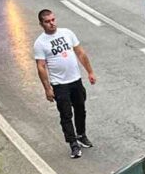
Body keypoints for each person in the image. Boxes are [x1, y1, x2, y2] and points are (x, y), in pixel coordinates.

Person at [34, 9, 97, 159]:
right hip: (59, 84)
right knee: (66, 114)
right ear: (41, 24)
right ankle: (73, 143)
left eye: (53, 20)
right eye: (47, 21)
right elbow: (41, 67)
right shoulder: (40, 43)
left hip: (75, 80)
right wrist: (47, 88)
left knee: (81, 109)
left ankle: (81, 134)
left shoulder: (67, 33)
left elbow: (80, 53)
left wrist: (90, 72)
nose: (51, 24)